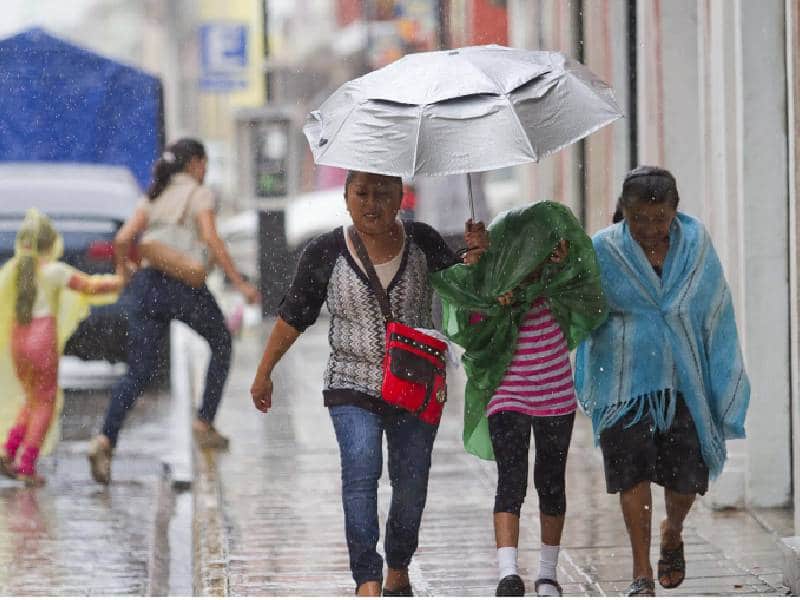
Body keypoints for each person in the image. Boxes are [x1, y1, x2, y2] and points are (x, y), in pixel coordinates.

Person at [250, 170, 487, 597]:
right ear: (345, 197)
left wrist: (475, 257)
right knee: (360, 471)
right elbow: (294, 315)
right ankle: (367, 579)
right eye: (361, 193)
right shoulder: (324, 251)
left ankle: (398, 565)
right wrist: (264, 371)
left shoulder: (424, 241)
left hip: (415, 385)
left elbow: (466, 292)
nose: (371, 203)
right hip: (350, 384)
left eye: (383, 193)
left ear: (401, 198)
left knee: (411, 481)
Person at [575, 166, 750, 596]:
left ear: (674, 210)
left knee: (684, 479)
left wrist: (719, 376)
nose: (650, 229)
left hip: (683, 379)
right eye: (639, 220)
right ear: (625, 212)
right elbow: (580, 309)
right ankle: (641, 573)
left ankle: (672, 531)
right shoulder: (603, 250)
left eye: (660, 219)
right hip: (623, 385)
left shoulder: (696, 246)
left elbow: (716, 308)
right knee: (631, 474)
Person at [431, 202, 607, 597]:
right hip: (506, 392)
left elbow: (586, 288)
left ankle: (547, 573)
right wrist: (478, 266)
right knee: (511, 480)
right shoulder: (490, 279)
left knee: (551, 481)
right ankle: (508, 573)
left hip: (555, 394)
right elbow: (468, 320)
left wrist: (561, 262)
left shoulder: (557, 279)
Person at [88, 138, 261, 485]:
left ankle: (106, 439)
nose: (206, 170)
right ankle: (204, 421)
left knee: (137, 371)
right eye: (204, 163)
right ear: (195, 163)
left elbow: (124, 239)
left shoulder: (154, 195)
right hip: (183, 286)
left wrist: (125, 274)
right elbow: (212, 239)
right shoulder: (199, 193)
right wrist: (240, 282)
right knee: (222, 343)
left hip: (148, 285)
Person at [0, 209, 121, 486]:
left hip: (19, 338)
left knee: (31, 399)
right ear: (50, 244)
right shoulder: (54, 271)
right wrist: (122, 280)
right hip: (42, 341)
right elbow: (89, 286)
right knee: (45, 403)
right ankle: (27, 465)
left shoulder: (16, 271)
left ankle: (8, 451)